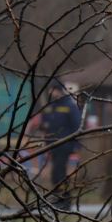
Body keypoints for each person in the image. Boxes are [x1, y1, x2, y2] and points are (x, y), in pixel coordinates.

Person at [38, 81, 83, 209]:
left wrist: (77, 144)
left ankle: (65, 201)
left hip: (64, 144)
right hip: (52, 145)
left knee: (60, 173)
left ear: (59, 90)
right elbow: (45, 122)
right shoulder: (50, 106)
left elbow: (76, 125)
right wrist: (43, 127)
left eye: (54, 90)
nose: (52, 94)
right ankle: (58, 199)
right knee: (56, 174)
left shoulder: (69, 106)